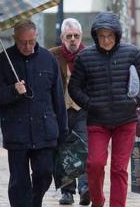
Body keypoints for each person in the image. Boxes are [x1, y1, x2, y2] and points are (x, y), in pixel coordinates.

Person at [68, 12, 140, 207]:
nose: (106, 40)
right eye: (101, 36)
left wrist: (137, 100)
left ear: (117, 35)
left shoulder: (133, 53)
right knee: (94, 164)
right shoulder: (84, 56)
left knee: (119, 169)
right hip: (97, 120)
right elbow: (74, 87)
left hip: (126, 120)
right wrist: (89, 103)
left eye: (110, 36)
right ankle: (98, 202)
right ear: (96, 36)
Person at [0, 19, 68, 207]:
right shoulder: (1, 62)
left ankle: (34, 200)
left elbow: (58, 97)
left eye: (31, 41)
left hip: (45, 129)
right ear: (14, 39)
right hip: (16, 131)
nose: (28, 46)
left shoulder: (48, 59)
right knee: (18, 182)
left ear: (36, 36)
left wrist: (63, 130)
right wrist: (13, 90)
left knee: (44, 172)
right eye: (23, 42)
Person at [49, 18, 90, 205]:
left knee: (83, 147)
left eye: (76, 36)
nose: (73, 39)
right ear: (62, 37)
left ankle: (84, 188)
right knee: (63, 150)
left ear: (81, 36)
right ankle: (67, 191)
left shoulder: (89, 54)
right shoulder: (53, 56)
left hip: (82, 109)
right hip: (60, 110)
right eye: (69, 36)